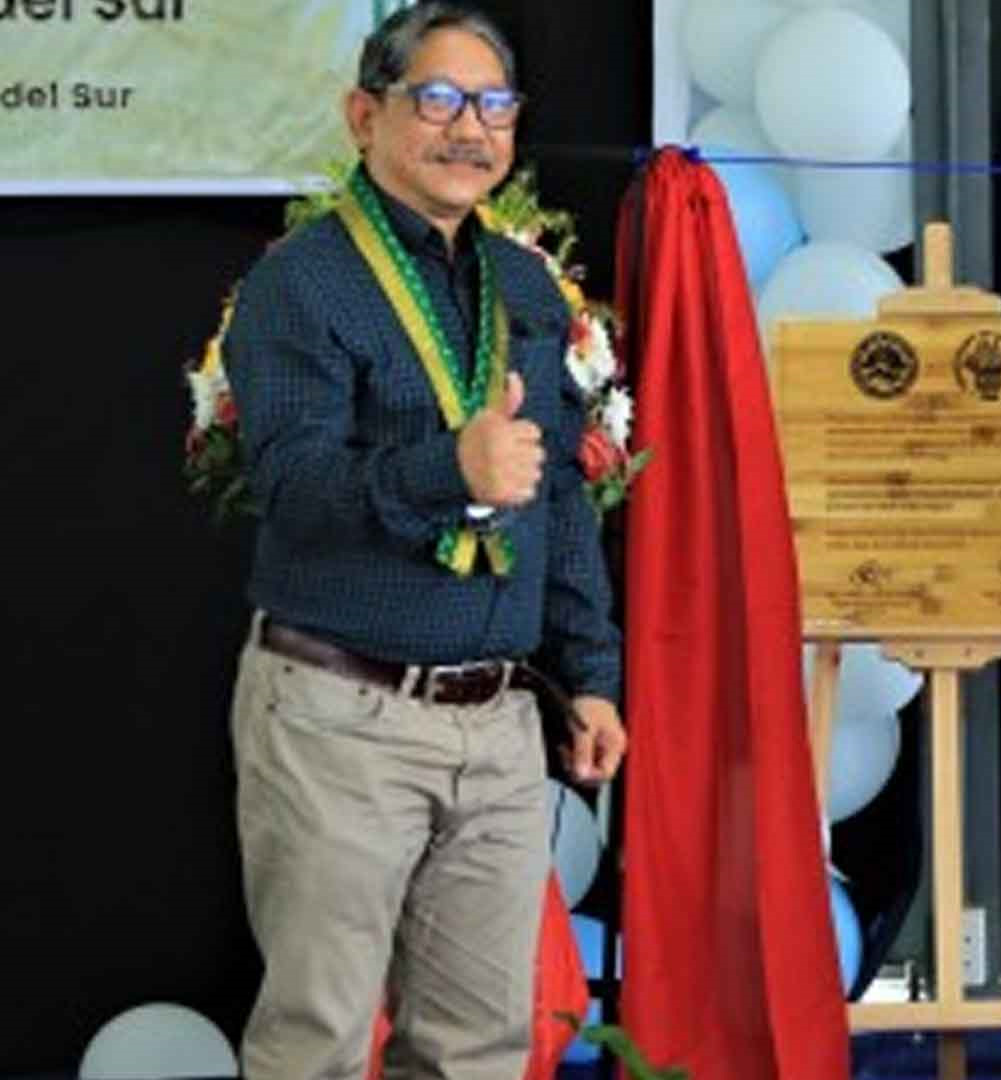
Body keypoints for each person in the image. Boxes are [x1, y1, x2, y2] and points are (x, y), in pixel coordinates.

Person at [220, 5, 627, 1076]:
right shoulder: (300, 284)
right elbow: (293, 485)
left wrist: (590, 674)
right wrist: (451, 468)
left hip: (498, 722)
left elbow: (559, 493)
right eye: (438, 99)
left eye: (494, 105)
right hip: (340, 713)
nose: (470, 128)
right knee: (317, 1040)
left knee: (478, 1048)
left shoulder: (527, 288)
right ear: (366, 115)